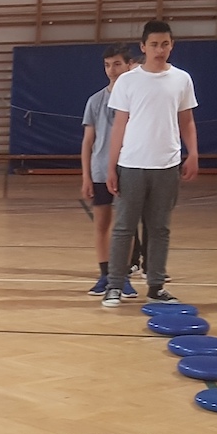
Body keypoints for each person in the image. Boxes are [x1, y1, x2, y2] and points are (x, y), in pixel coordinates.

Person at [102, 21, 198, 307]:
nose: (160, 49)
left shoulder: (182, 79)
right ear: (143, 47)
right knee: (124, 227)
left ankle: (156, 286)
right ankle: (114, 285)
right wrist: (111, 166)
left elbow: (187, 121)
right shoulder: (128, 81)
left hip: (167, 166)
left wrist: (193, 153)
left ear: (172, 45)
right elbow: (119, 126)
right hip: (131, 164)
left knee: (159, 229)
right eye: (154, 44)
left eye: (165, 44)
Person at [80, 45, 138, 297]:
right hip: (100, 170)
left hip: (130, 168)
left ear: (128, 65)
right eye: (107, 65)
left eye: (116, 64)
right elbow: (87, 142)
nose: (112, 70)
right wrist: (86, 176)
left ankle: (122, 276)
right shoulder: (95, 101)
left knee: (126, 226)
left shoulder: (137, 99)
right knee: (102, 225)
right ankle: (105, 274)